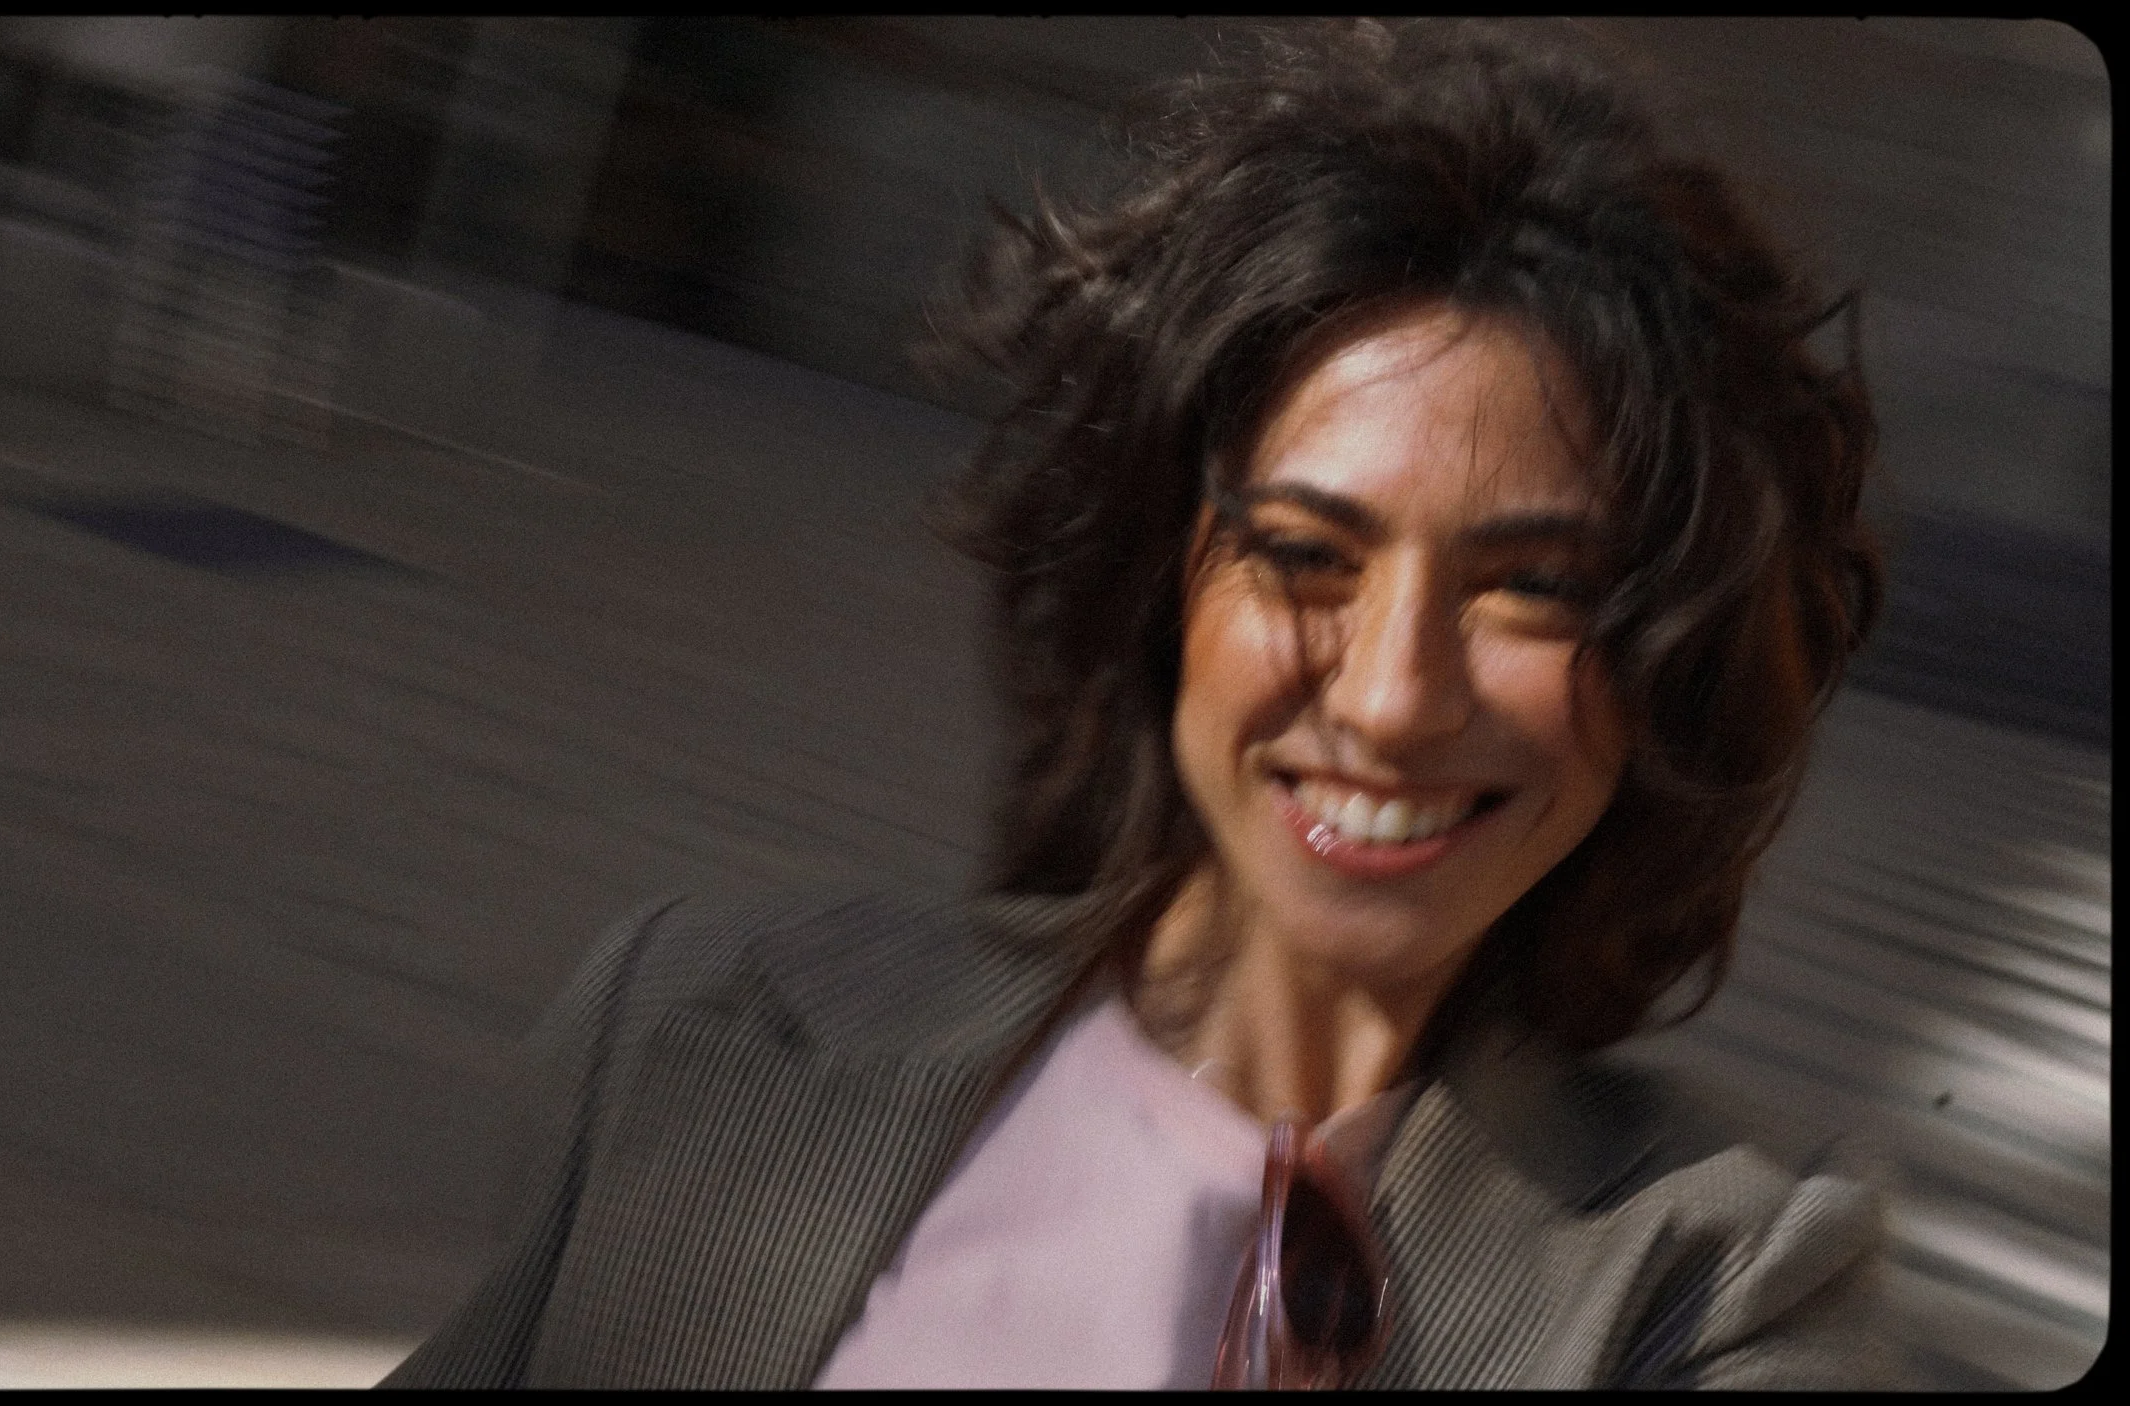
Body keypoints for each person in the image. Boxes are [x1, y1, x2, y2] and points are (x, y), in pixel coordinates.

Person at [381, 18, 1893, 1390]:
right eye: (1303, 555)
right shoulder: (695, 1017)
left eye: (1537, 587)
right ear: (1160, 576)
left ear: (1669, 658)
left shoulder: (1722, 1285)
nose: (1391, 699)